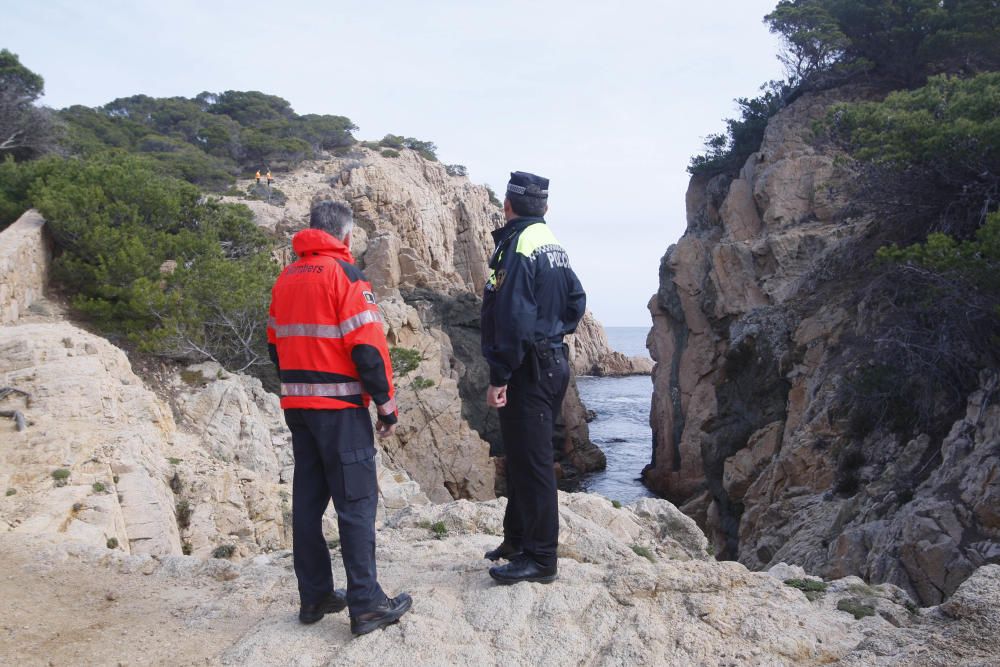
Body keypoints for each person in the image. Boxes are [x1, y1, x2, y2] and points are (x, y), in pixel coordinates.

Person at [267, 199, 412, 635]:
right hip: (342, 410)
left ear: (312, 230)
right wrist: (385, 405)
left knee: (308, 504)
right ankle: (366, 603)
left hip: (299, 408)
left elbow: (274, 345)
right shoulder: (346, 276)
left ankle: (314, 597)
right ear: (346, 236)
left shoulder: (285, 278)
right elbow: (367, 348)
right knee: (356, 505)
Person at [480, 171, 586, 585]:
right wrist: (555, 328)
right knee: (524, 457)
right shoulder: (551, 243)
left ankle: (541, 559)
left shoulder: (519, 245)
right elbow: (576, 299)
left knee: (535, 463)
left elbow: (512, 318)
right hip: (551, 359)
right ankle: (517, 539)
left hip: (529, 366)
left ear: (508, 205)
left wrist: (500, 374)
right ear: (544, 207)